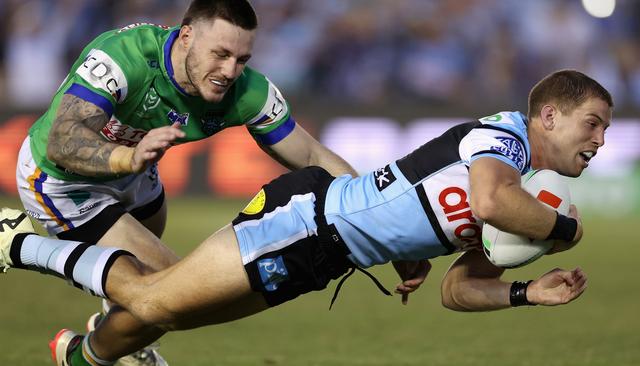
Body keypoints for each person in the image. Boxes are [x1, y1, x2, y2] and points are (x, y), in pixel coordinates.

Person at [1, 69, 609, 366]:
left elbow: (459, 289)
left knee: (177, 313)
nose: (602, 139)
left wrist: (527, 291)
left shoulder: (517, 184)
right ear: (549, 116)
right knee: (160, 301)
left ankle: (82, 357)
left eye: (607, 127)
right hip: (309, 220)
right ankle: (20, 243)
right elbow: (490, 204)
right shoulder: (503, 138)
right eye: (593, 123)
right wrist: (563, 232)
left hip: (326, 253)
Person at [14, 1, 356, 365]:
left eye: (241, 59)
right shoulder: (124, 55)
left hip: (135, 175)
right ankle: (80, 356)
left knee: (154, 295)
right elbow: (63, 140)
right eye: (220, 54)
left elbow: (313, 157)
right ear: (187, 36)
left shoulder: (247, 90)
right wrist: (127, 157)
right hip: (62, 182)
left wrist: (380, 211)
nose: (229, 71)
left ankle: (125, 345)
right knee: (174, 292)